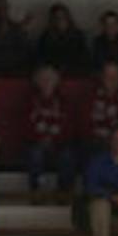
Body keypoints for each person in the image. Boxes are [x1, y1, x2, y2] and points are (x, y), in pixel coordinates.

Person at [24, 64, 74, 202]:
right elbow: (26, 126)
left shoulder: (63, 102)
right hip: (37, 143)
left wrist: (54, 139)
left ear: (56, 81)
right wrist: (42, 138)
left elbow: (68, 127)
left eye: (50, 79)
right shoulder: (29, 101)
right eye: (43, 79)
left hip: (58, 144)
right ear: (37, 81)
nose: (47, 82)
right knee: (35, 154)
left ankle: (64, 192)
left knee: (67, 155)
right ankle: (37, 191)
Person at [33, 2, 90, 75]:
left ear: (68, 18)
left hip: (74, 74)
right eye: (56, 18)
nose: (60, 20)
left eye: (63, 17)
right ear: (52, 20)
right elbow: (40, 59)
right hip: (52, 75)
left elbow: (85, 59)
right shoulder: (45, 37)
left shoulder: (78, 36)